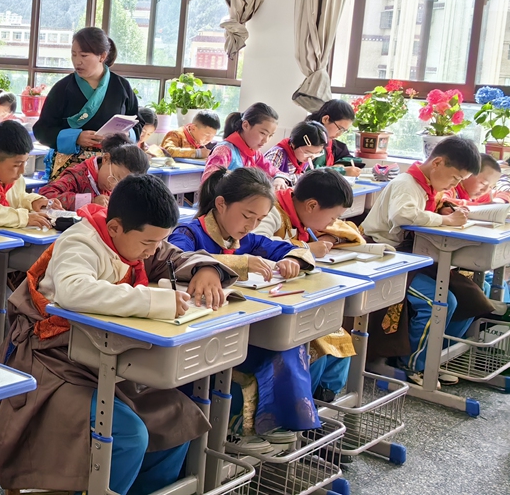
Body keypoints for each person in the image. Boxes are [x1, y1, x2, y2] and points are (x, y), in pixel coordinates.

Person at [0, 174, 237, 494]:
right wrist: (155, 301)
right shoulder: (82, 241)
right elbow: (74, 292)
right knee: (129, 434)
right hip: (53, 364)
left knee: (177, 420)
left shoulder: (138, 241)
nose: (153, 251)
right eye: (148, 242)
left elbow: (173, 256)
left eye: (159, 241)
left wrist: (206, 268)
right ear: (116, 227)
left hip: (106, 362)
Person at [169, 168, 319, 435]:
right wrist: (241, 262)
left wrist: (292, 260)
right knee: (280, 355)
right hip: (195, 337)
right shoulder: (190, 233)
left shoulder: (245, 239)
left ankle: (282, 433)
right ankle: (259, 433)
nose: (251, 225)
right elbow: (175, 257)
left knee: (289, 346)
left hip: (235, 329)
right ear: (221, 204)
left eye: (259, 219)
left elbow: (294, 248)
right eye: (248, 215)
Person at [361, 136, 499, 385]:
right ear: (437, 163)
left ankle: (436, 357)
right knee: (440, 300)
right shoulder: (407, 182)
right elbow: (403, 215)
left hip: (415, 257)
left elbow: (426, 211)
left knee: (470, 296)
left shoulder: (429, 186)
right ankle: (415, 365)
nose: (454, 184)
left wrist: (444, 210)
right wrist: (445, 220)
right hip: (387, 257)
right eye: (455, 178)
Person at [251, 169, 361, 401]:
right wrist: (307, 247)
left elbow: (347, 231)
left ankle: (322, 400)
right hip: (266, 296)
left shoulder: (298, 215)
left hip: (291, 292)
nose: (332, 223)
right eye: (331, 218)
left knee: (337, 337)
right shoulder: (272, 210)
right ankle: (304, 407)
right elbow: (256, 241)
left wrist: (326, 239)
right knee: (316, 346)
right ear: (311, 205)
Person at [34, 27, 139, 179]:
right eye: (74, 54)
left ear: (102, 56)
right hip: (69, 169)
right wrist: (75, 137)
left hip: (110, 168)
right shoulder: (62, 88)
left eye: (84, 55)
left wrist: (126, 134)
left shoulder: (121, 86)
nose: (77, 61)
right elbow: (42, 130)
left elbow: (138, 124)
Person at [38, 133, 149, 211]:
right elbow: (45, 195)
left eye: (121, 184)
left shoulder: (119, 186)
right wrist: (90, 201)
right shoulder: (78, 175)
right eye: (114, 177)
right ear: (106, 159)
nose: (113, 186)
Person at [202, 102, 285, 187]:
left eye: (270, 135)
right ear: (245, 125)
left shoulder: (255, 154)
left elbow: (274, 171)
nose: (266, 140)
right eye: (263, 133)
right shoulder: (224, 150)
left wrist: (279, 178)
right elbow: (209, 182)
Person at [305, 100, 364, 176]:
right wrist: (341, 171)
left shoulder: (331, 142)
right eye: (340, 128)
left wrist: (340, 164)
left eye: (344, 131)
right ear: (325, 119)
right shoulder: (306, 140)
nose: (339, 134)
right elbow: (308, 170)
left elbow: (349, 158)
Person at [263, 121, 329, 183]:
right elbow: (263, 178)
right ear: (293, 144)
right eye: (307, 153)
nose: (311, 158)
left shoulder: (303, 159)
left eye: (316, 154)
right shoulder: (278, 154)